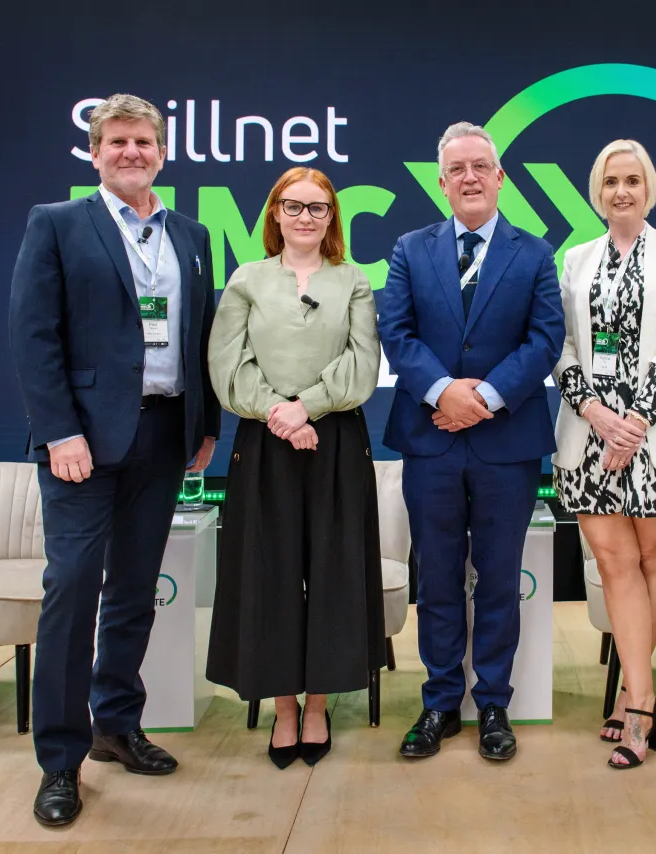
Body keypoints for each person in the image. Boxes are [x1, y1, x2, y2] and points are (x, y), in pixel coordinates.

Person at [9, 93, 220, 826]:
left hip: (164, 436)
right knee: (72, 591)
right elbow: (34, 337)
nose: (132, 152)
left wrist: (205, 423)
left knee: (134, 589)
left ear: (163, 151)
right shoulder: (59, 225)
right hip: (82, 444)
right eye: (117, 141)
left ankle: (116, 726)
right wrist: (58, 430)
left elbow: (199, 336)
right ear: (94, 152)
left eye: (144, 142)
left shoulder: (190, 235)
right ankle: (59, 762)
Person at [379, 122, 563, 762]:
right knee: (435, 577)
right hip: (430, 440)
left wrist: (482, 398)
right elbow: (397, 334)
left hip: (506, 445)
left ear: (500, 176)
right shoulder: (409, 249)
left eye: (481, 166)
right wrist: (444, 394)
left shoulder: (535, 254)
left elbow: (544, 342)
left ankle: (492, 705)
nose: (470, 178)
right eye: (457, 168)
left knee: (498, 578)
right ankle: (438, 703)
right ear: (441, 181)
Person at [206, 166, 384, 770]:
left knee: (333, 573)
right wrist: (279, 415)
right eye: (294, 206)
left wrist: (303, 409)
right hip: (263, 444)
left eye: (318, 207)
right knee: (270, 575)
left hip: (333, 443)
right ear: (274, 213)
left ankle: (318, 707)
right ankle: (284, 707)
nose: (305, 217)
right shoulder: (247, 279)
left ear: (333, 218)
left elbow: (362, 369)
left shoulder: (353, 280)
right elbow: (227, 364)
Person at [552, 139, 656, 769]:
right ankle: (646, 701)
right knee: (613, 563)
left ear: (650, 189)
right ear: (597, 190)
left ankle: (631, 693)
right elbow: (561, 348)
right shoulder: (576, 258)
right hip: (588, 435)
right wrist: (596, 415)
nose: (621, 191)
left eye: (633, 180)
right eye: (611, 180)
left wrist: (634, 423)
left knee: (649, 558)